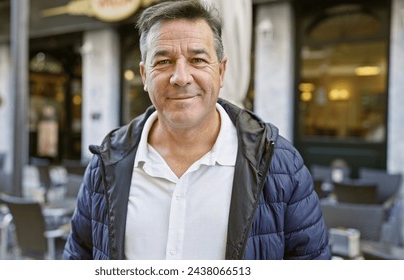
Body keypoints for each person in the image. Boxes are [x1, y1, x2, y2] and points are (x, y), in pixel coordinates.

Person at [63, 0, 331, 260]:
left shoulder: (280, 164)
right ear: (145, 76)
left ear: (222, 71)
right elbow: (78, 258)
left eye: (198, 60)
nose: (180, 77)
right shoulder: (106, 163)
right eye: (164, 61)